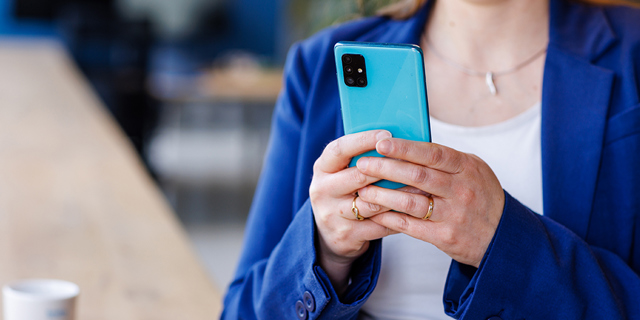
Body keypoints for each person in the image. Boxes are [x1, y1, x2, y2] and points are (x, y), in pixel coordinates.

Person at [222, 0, 640, 318]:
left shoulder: (631, 54)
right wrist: (327, 253)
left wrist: (507, 243)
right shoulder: (319, 68)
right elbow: (240, 309)